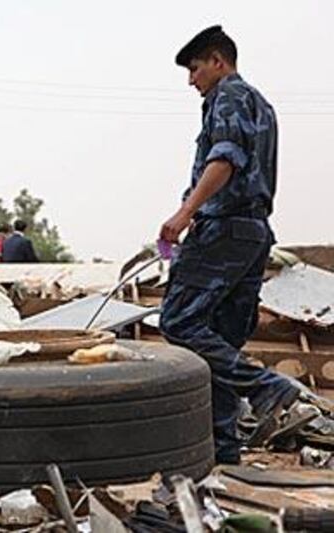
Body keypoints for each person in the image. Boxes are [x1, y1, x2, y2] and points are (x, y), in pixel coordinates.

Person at [158, 25, 298, 464]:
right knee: (217, 344)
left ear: (218, 62)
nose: (191, 80)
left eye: (195, 68)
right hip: (253, 234)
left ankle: (268, 388)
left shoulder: (228, 96)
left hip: (225, 230)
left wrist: (184, 214)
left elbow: (224, 158)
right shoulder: (263, 104)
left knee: (178, 322)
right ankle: (224, 454)